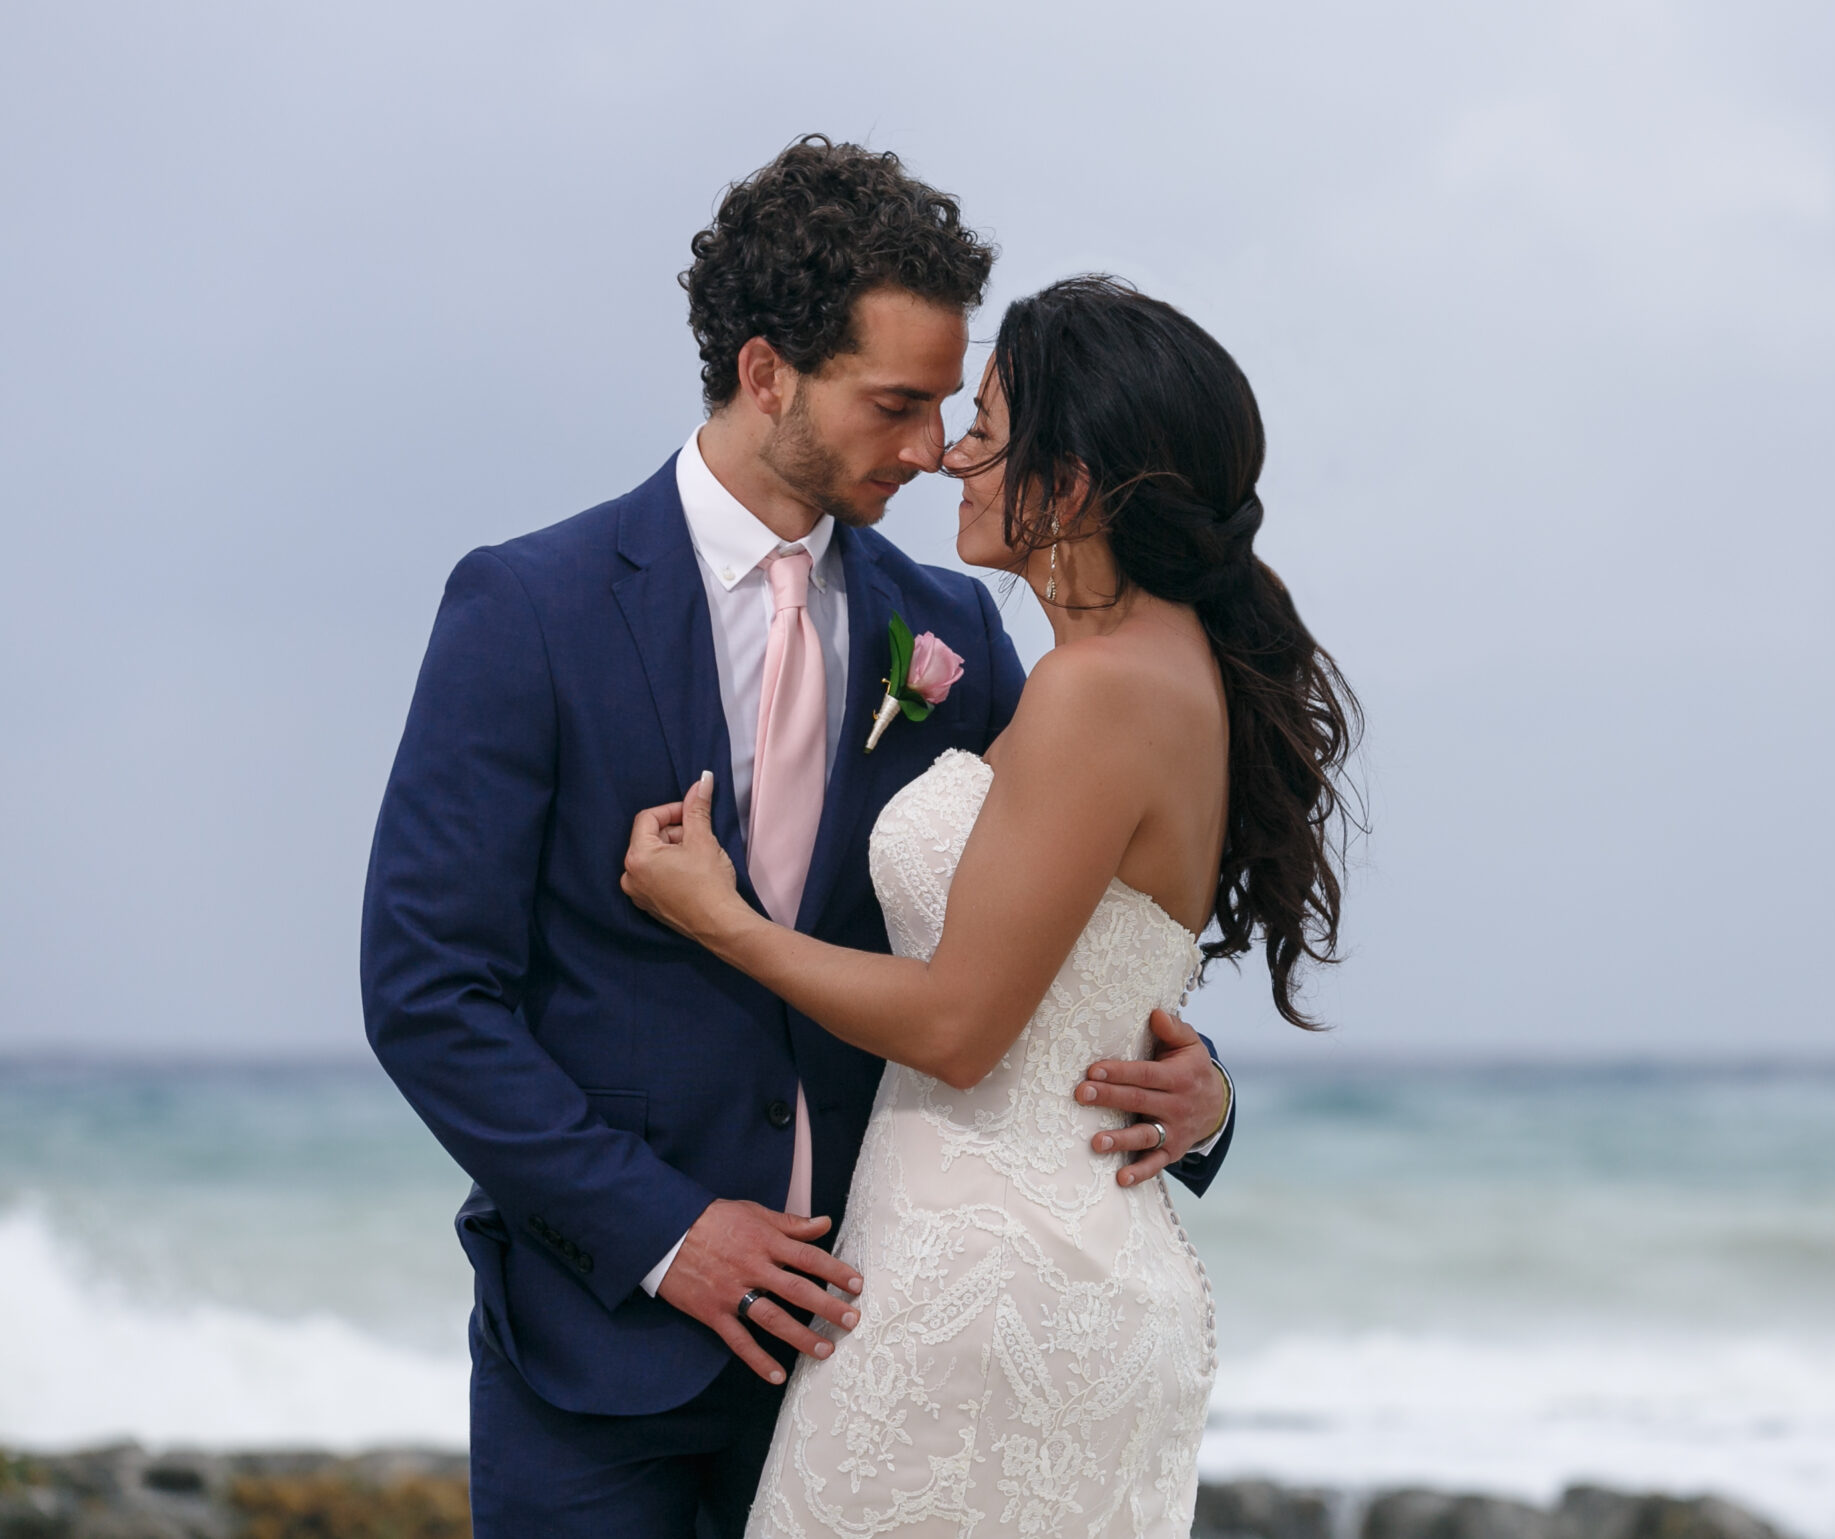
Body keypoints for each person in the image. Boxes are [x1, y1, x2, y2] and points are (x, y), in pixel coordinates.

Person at [360, 141, 1241, 1539]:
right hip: (600, 1357)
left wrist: (1199, 1095)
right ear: (767, 371)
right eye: (895, 403)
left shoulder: (954, 627)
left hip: (877, 1342)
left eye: (952, 407)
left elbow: (1053, 916)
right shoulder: (526, 607)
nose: (932, 446)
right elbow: (426, 994)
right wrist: (665, 1233)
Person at [621, 274, 1359, 1539]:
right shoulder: (1140, 672)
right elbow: (1087, 971)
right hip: (1010, 1263)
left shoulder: (1098, 691)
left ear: (1066, 485)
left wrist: (721, 919)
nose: (951, 454)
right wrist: (1207, 1090)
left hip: (985, 1294)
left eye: (987, 429)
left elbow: (963, 1024)